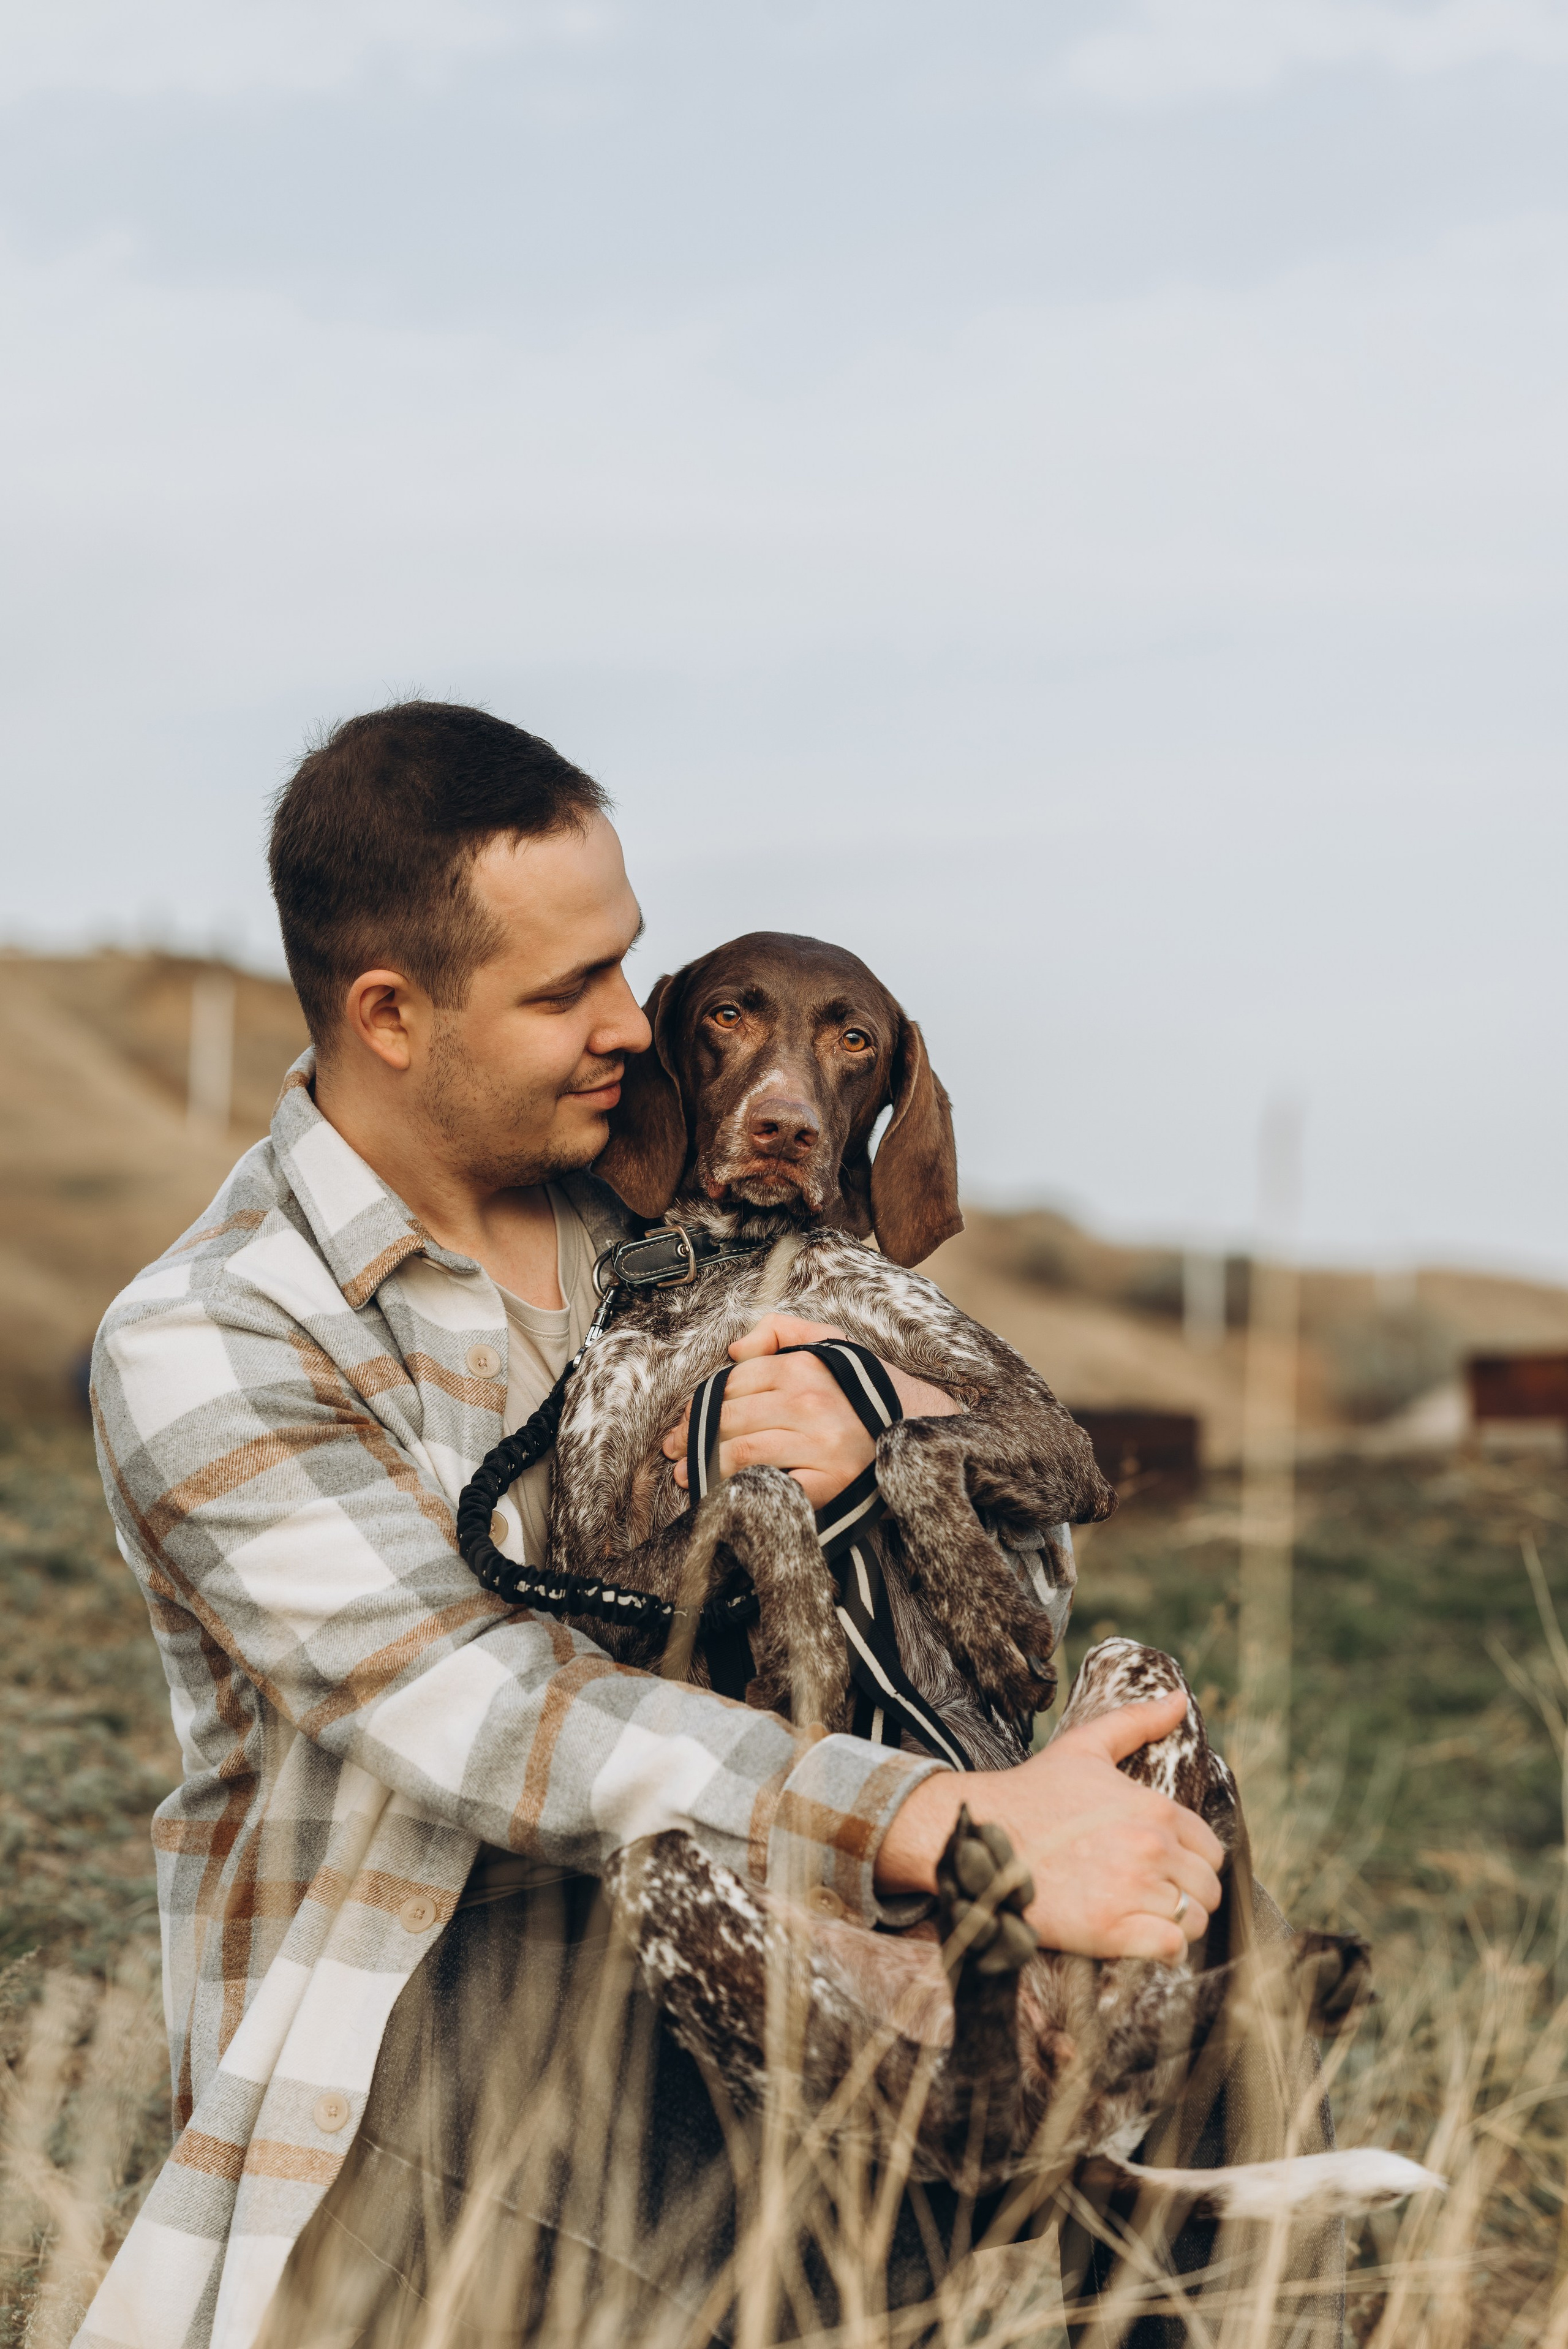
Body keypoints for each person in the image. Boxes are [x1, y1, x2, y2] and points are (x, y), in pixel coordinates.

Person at [78, 702, 1225, 2349]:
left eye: (627, 962)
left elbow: (1013, 1597)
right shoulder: (212, 1334)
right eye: (566, 993)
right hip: (443, 2000)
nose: (633, 1023)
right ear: (391, 1015)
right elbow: (483, 1719)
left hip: (793, 1920)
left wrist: (895, 1445)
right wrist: (950, 1821)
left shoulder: (682, 1195)